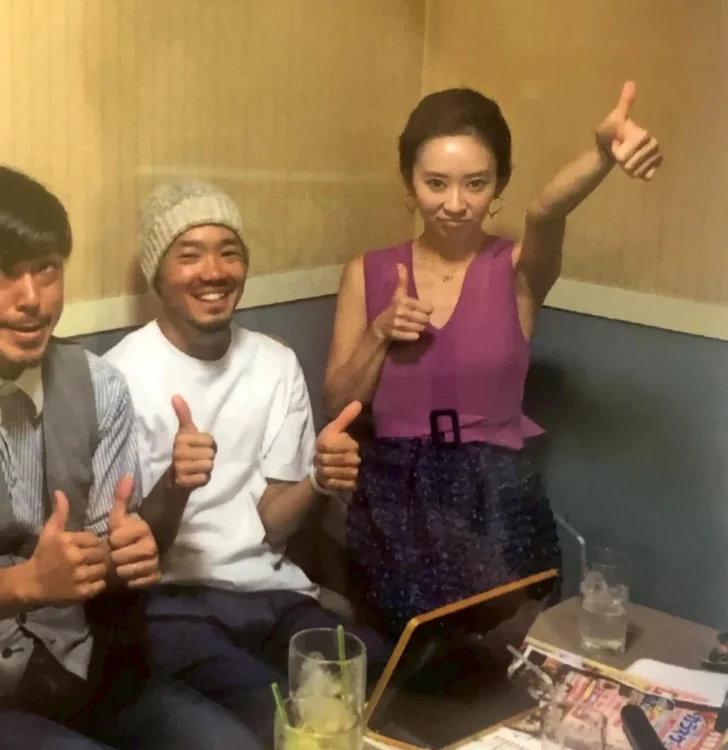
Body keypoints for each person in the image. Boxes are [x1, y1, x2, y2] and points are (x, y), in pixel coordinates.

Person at [324, 82, 663, 637]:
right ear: (409, 181)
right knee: (413, 658)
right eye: (436, 183)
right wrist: (379, 333)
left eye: (475, 183)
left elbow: (545, 211)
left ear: (499, 184)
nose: (455, 204)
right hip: (394, 501)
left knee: (509, 651)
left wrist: (602, 152)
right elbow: (338, 403)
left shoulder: (518, 269)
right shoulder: (366, 272)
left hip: (495, 495)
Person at [105, 179, 391, 739]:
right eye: (190, 255)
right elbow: (132, 555)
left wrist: (318, 479)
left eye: (228, 252)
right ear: (158, 274)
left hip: (274, 595)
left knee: (380, 678)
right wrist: (176, 484)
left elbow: (272, 523)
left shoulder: (274, 363)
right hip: (172, 605)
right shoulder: (118, 378)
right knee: (285, 718)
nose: (213, 271)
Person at [0, 167, 263, 749]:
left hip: (84, 668)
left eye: (46, 269)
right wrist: (23, 583)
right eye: (3, 272)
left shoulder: (99, 386)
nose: (30, 299)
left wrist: (129, 554)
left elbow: (106, 562)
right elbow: (37, 581)